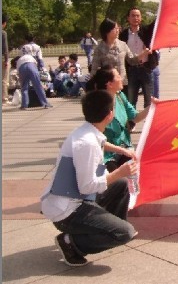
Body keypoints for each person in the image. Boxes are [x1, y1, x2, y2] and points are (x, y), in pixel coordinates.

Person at [40, 89, 137, 267]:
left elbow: (101, 142)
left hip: (74, 199)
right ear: (110, 115)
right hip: (67, 212)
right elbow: (87, 187)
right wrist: (120, 172)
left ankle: (107, 228)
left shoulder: (86, 131)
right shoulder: (87, 144)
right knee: (125, 233)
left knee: (121, 185)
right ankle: (71, 243)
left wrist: (121, 150)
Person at [87, 66, 151, 172]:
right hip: (106, 155)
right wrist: (121, 151)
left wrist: (152, 107)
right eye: (118, 76)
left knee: (141, 170)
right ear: (110, 84)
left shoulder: (120, 96)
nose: (121, 78)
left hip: (125, 149)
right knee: (117, 177)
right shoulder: (98, 105)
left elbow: (136, 117)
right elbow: (97, 139)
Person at [90, 18, 149, 93]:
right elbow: (94, 70)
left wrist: (143, 54)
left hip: (122, 83)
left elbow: (131, 61)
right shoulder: (99, 49)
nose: (118, 30)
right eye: (115, 28)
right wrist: (93, 87)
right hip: (108, 86)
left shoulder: (123, 45)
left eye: (118, 28)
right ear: (107, 31)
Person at [119, 7, 159, 109]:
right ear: (128, 18)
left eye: (138, 16)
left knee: (149, 100)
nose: (135, 18)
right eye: (133, 16)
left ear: (141, 18)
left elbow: (157, 22)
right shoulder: (123, 35)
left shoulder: (146, 31)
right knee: (131, 100)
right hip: (131, 70)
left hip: (146, 69)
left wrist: (162, 8)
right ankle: (132, 119)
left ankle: (148, 119)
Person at [17, 34, 52, 109]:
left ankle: (24, 105)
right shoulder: (38, 47)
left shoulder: (23, 47)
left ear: (25, 40)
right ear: (33, 39)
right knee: (38, 86)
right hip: (32, 65)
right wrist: (42, 68)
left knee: (24, 87)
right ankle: (45, 104)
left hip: (22, 65)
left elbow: (21, 57)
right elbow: (40, 59)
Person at [2, 13, 9, 105]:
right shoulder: (3, 33)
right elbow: (5, 48)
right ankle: (4, 99)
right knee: (3, 79)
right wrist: (6, 60)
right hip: (1, 58)